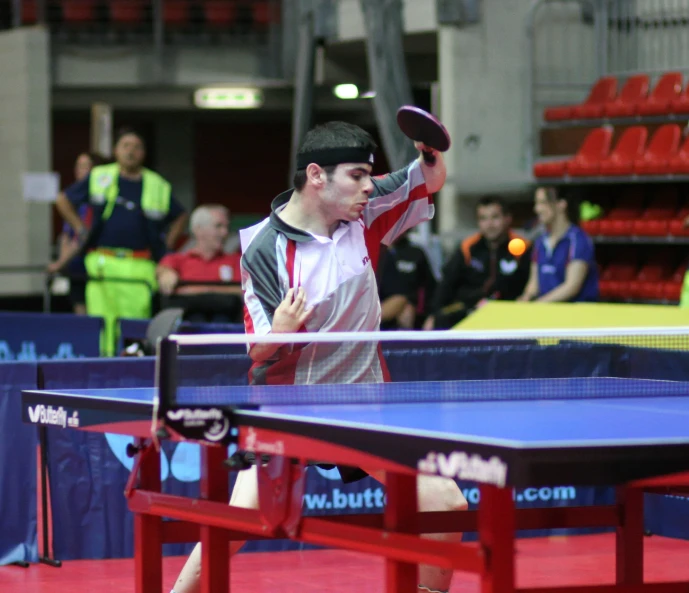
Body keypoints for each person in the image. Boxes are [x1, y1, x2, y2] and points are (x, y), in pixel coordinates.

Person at [171, 121, 467, 593]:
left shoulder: (363, 214)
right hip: (290, 409)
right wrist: (282, 330)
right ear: (316, 175)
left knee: (444, 503)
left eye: (370, 175)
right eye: (357, 175)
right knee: (240, 522)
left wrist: (430, 155)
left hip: (366, 406)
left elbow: (424, 180)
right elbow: (258, 348)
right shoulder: (264, 247)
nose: (370, 186)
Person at [55, 127, 188, 355]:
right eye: (125, 146)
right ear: (116, 150)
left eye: (137, 147)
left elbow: (181, 215)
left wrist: (168, 242)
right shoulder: (99, 176)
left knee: (136, 325)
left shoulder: (158, 184)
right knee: (102, 325)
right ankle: (104, 368)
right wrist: (80, 228)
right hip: (101, 262)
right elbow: (63, 200)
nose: (131, 151)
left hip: (140, 264)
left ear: (144, 153)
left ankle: (133, 371)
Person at [424, 195, 531, 330]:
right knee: (440, 320)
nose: (489, 224)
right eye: (483, 219)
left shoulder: (523, 247)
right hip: (469, 310)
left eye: (495, 217)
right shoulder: (468, 247)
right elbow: (446, 285)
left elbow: (530, 286)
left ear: (507, 218)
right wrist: (433, 315)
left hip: (507, 313)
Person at [156, 204, 243, 323]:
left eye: (226, 227)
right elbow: (163, 273)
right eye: (218, 226)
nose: (225, 232)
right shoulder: (177, 260)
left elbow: (244, 292)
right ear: (198, 230)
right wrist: (165, 273)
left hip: (226, 330)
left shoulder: (236, 261)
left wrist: (195, 291)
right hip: (189, 330)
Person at [518, 186, 599, 303]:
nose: (537, 209)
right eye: (536, 203)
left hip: (574, 314)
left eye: (543, 203)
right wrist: (525, 299)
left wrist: (538, 304)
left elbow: (572, 287)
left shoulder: (578, 240)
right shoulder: (540, 242)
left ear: (561, 204)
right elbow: (533, 285)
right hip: (546, 313)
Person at [47, 151, 105, 314]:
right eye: (79, 166)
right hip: (75, 268)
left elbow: (82, 237)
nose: (82, 170)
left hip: (92, 267)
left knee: (94, 314)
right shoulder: (74, 201)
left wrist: (60, 263)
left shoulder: (95, 200)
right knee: (80, 313)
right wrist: (62, 260)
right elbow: (67, 235)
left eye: (87, 166)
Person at [378, 231, 437, 329]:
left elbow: (431, 289)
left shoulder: (416, 253)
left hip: (411, 313)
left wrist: (429, 315)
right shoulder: (377, 252)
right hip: (382, 312)